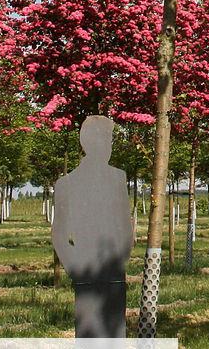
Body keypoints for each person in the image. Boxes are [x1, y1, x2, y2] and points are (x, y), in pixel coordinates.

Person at [53, 115, 134, 338]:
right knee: (90, 334)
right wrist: (77, 270)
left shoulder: (118, 178)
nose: (109, 146)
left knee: (113, 334)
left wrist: (119, 264)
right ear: (90, 142)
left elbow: (126, 228)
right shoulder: (66, 184)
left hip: (111, 272)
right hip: (89, 272)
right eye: (107, 139)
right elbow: (59, 235)